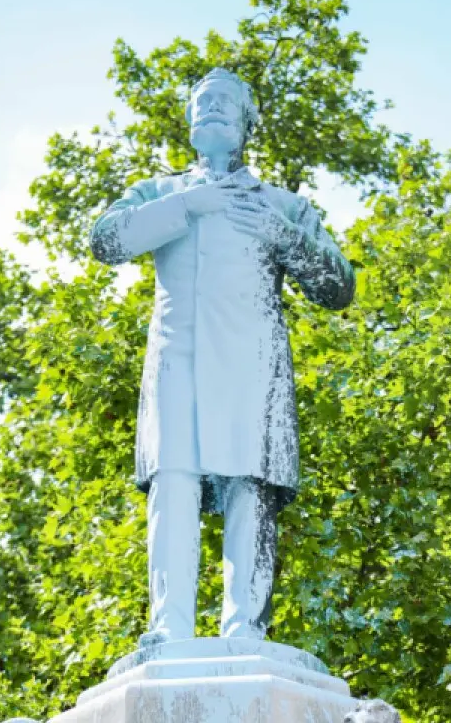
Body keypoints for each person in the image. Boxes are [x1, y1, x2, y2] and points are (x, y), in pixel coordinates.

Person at [89, 67, 355, 645]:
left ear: (248, 121)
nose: (210, 108)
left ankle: (244, 631)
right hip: (176, 357)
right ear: (187, 120)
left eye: (224, 102)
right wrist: (191, 203)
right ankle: (169, 630)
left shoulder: (282, 204)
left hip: (252, 363)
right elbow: (105, 241)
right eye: (200, 101)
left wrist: (287, 237)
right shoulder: (161, 193)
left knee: (249, 485)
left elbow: (338, 288)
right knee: (174, 482)